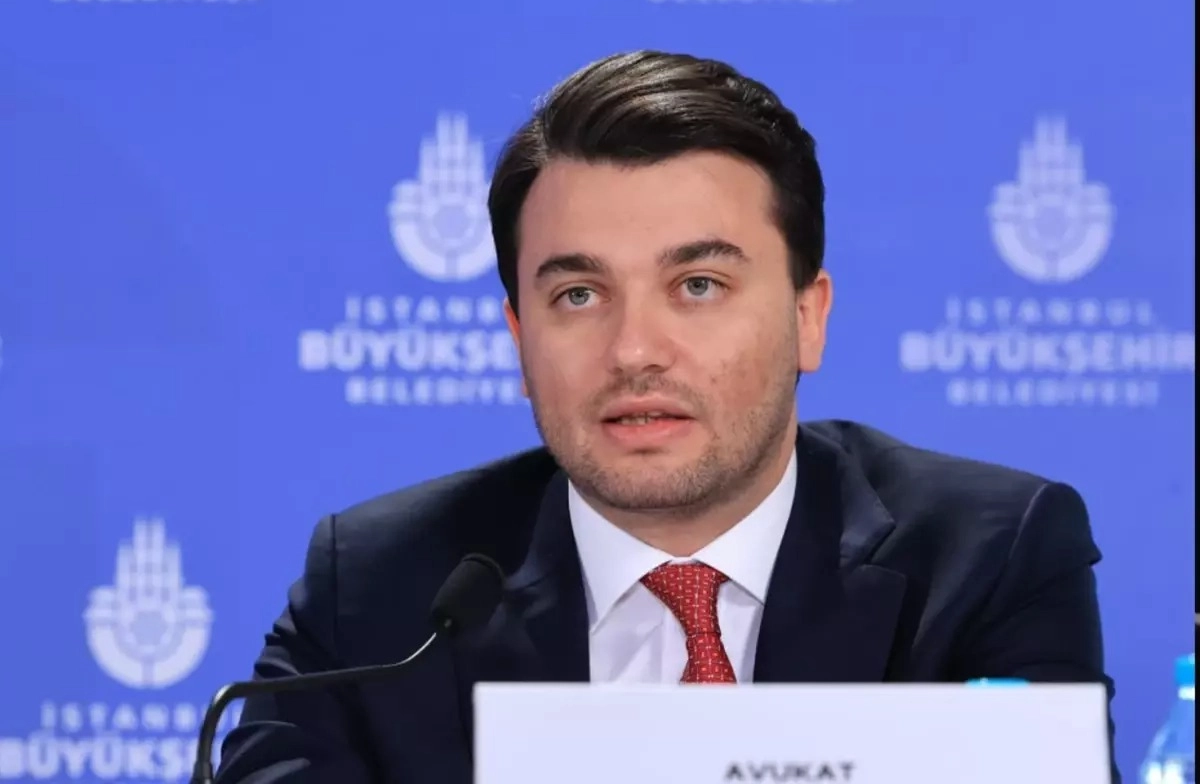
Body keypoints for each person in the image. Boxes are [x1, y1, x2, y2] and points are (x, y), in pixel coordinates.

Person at [215, 50, 1119, 783]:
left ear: (808, 317)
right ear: (519, 338)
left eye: (698, 285)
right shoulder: (380, 592)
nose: (634, 350)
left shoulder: (986, 558)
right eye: (578, 294)